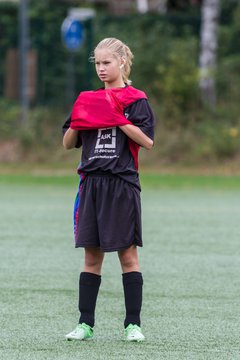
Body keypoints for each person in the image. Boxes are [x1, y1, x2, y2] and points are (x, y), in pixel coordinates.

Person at [62, 37, 155, 342]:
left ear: (122, 63)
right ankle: (85, 324)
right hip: (91, 184)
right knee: (92, 258)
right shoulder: (88, 98)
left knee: (128, 257)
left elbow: (147, 140)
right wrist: (79, 117)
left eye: (107, 62)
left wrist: (116, 118)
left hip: (121, 185)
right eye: (98, 63)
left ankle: (133, 325)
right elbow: (67, 143)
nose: (102, 68)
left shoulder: (135, 99)